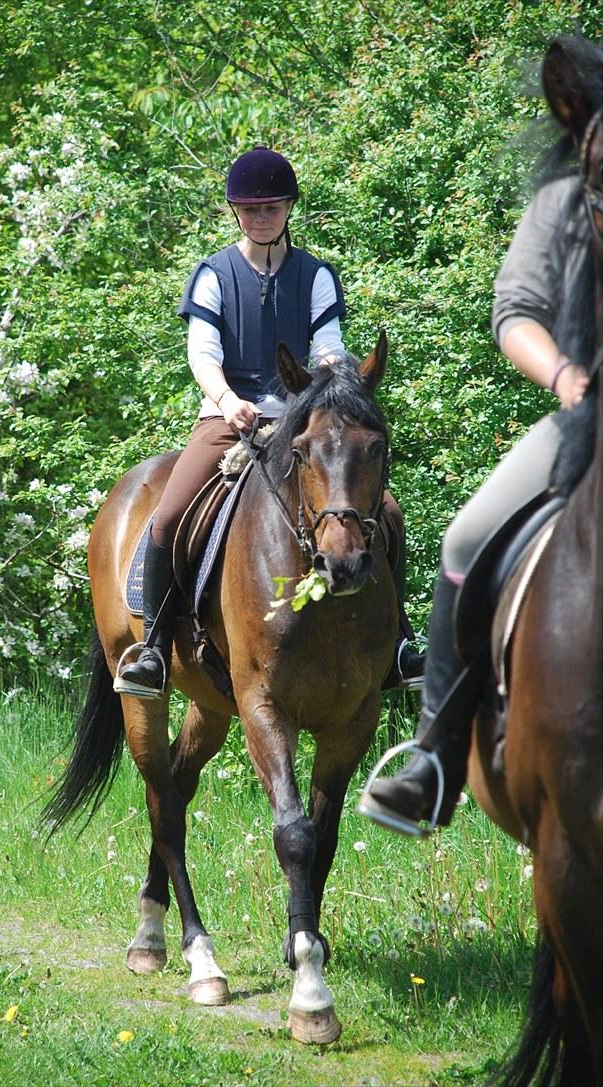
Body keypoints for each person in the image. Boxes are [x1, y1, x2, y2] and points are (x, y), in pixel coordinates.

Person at [359, 34, 601, 838]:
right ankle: (432, 756)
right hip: (587, 411)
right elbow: (514, 315)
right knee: (464, 537)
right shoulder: (565, 202)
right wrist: (567, 377)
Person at [116, 146, 425, 698]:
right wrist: (226, 397)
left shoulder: (315, 275)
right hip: (227, 417)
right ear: (236, 212)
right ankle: (154, 651)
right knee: (166, 517)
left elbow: (329, 347)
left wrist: (330, 387)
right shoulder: (213, 275)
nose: (262, 218)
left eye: (272, 208)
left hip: (301, 420)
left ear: (289, 209)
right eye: (251, 209)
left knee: (390, 514)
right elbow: (202, 354)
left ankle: (398, 644)